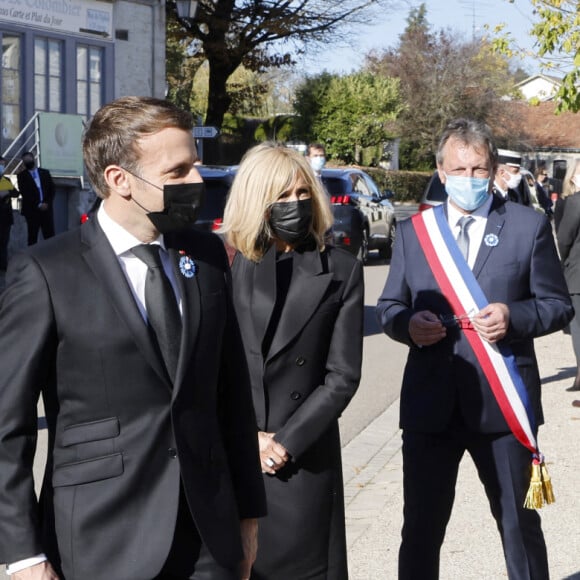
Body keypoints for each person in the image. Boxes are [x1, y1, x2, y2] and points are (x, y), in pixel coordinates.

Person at [0, 96, 266, 580]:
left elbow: (231, 396)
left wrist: (247, 516)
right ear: (120, 180)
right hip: (103, 540)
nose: (197, 182)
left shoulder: (205, 256)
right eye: (177, 171)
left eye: (196, 166)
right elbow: (7, 427)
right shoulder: (44, 272)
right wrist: (23, 555)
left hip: (210, 540)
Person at [376, 118, 572, 580]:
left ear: (493, 170)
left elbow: (558, 305)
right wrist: (406, 324)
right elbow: (388, 306)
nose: (469, 179)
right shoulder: (414, 232)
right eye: (458, 169)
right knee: (421, 530)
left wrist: (514, 317)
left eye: (478, 169)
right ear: (441, 173)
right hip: (430, 405)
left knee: (518, 525)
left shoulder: (528, 226)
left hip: (503, 405)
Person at [220, 142, 364, 580]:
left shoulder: (340, 269)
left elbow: (342, 376)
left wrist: (282, 443)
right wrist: (249, 437)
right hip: (232, 455)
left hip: (298, 459)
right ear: (256, 199)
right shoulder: (223, 266)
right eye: (281, 197)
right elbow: (208, 368)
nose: (295, 205)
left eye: (303, 194)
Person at [555, 158, 580, 396]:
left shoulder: (575, 202)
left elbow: (564, 239)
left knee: (579, 328)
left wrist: (565, 262)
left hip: (577, 274)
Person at [16, 151, 56, 245]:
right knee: (32, 238)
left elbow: (52, 189)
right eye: (25, 162)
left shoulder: (44, 173)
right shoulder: (22, 176)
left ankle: (51, 256)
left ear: (33, 159)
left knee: (49, 236)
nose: (27, 163)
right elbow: (25, 193)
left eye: (28, 161)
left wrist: (47, 203)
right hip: (32, 211)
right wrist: (38, 204)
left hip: (46, 210)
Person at [0, 156, 18, 272]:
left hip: (5, 218)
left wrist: (8, 193)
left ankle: (3, 266)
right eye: (0, 164)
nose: (2, 167)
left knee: (3, 243)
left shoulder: (5, 180)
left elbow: (16, 193)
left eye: (3, 165)